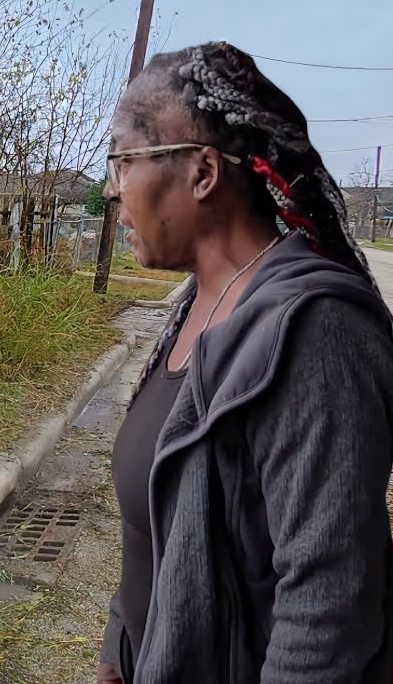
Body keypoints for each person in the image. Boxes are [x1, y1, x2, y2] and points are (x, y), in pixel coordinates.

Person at [96, 41, 393, 683]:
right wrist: (121, 642)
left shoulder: (315, 332)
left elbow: (327, 612)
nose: (110, 190)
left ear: (202, 173)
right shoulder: (194, 306)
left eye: (123, 161)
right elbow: (156, 525)